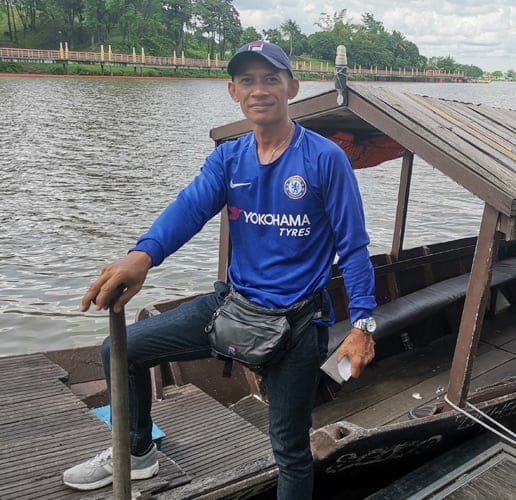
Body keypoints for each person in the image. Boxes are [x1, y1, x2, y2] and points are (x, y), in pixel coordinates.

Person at [62, 40, 377, 498]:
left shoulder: (324, 158)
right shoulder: (229, 158)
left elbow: (353, 247)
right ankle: (137, 451)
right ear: (233, 91)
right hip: (232, 306)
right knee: (120, 350)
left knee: (289, 449)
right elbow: (188, 209)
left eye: (271, 78)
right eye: (247, 80)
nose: (260, 89)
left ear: (292, 86)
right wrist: (142, 255)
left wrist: (363, 323)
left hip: (297, 321)